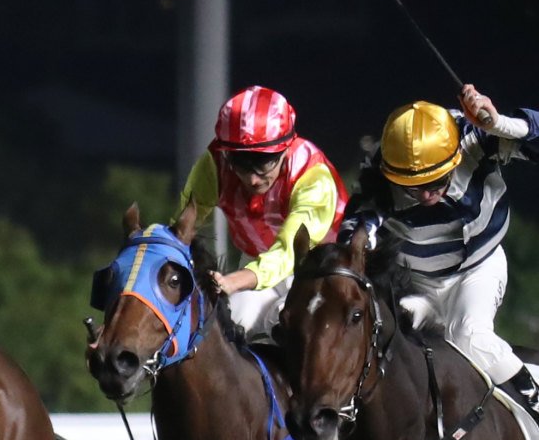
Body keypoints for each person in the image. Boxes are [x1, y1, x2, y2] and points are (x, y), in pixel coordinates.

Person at [346, 84, 539, 411]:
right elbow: (356, 228)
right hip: (417, 283)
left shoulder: (473, 136)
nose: (425, 195)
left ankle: (533, 399)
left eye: (435, 181)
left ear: (455, 158)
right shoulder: (379, 174)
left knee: (468, 336)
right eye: (412, 186)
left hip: (479, 268)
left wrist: (499, 124)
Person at [174, 85, 347, 337]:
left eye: (263, 162)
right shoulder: (215, 164)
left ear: (287, 146)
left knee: (295, 330)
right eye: (241, 164)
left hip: (320, 271)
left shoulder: (312, 176)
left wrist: (234, 280)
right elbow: (182, 229)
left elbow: (289, 252)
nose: (253, 180)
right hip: (256, 265)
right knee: (220, 332)